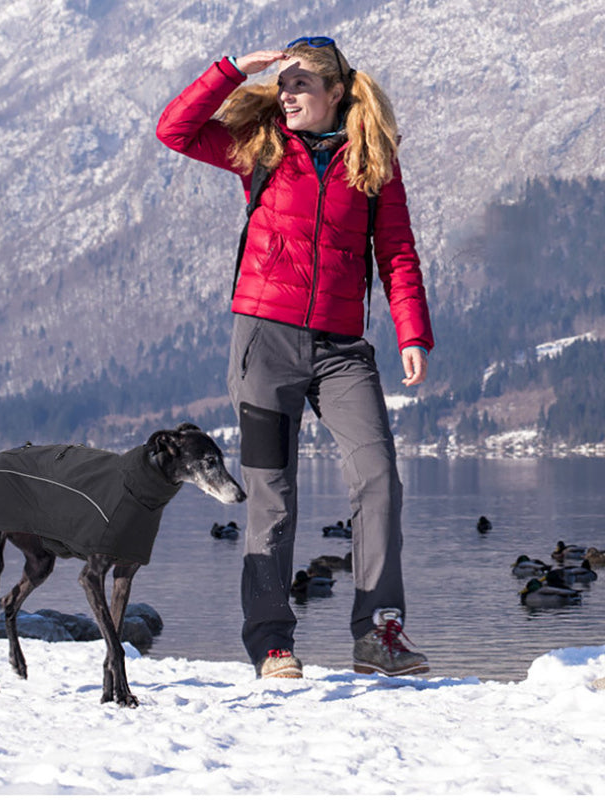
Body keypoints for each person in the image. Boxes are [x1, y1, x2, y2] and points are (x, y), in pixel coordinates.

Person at [156, 37, 434, 679]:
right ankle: (272, 642)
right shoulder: (260, 148)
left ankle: (377, 633)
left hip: (342, 352)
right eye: (282, 85)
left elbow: (397, 254)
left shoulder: (373, 163)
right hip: (264, 345)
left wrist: (411, 332)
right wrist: (234, 70)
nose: (287, 95)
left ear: (336, 93)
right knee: (272, 495)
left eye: (300, 85)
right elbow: (175, 130)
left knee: (379, 478)